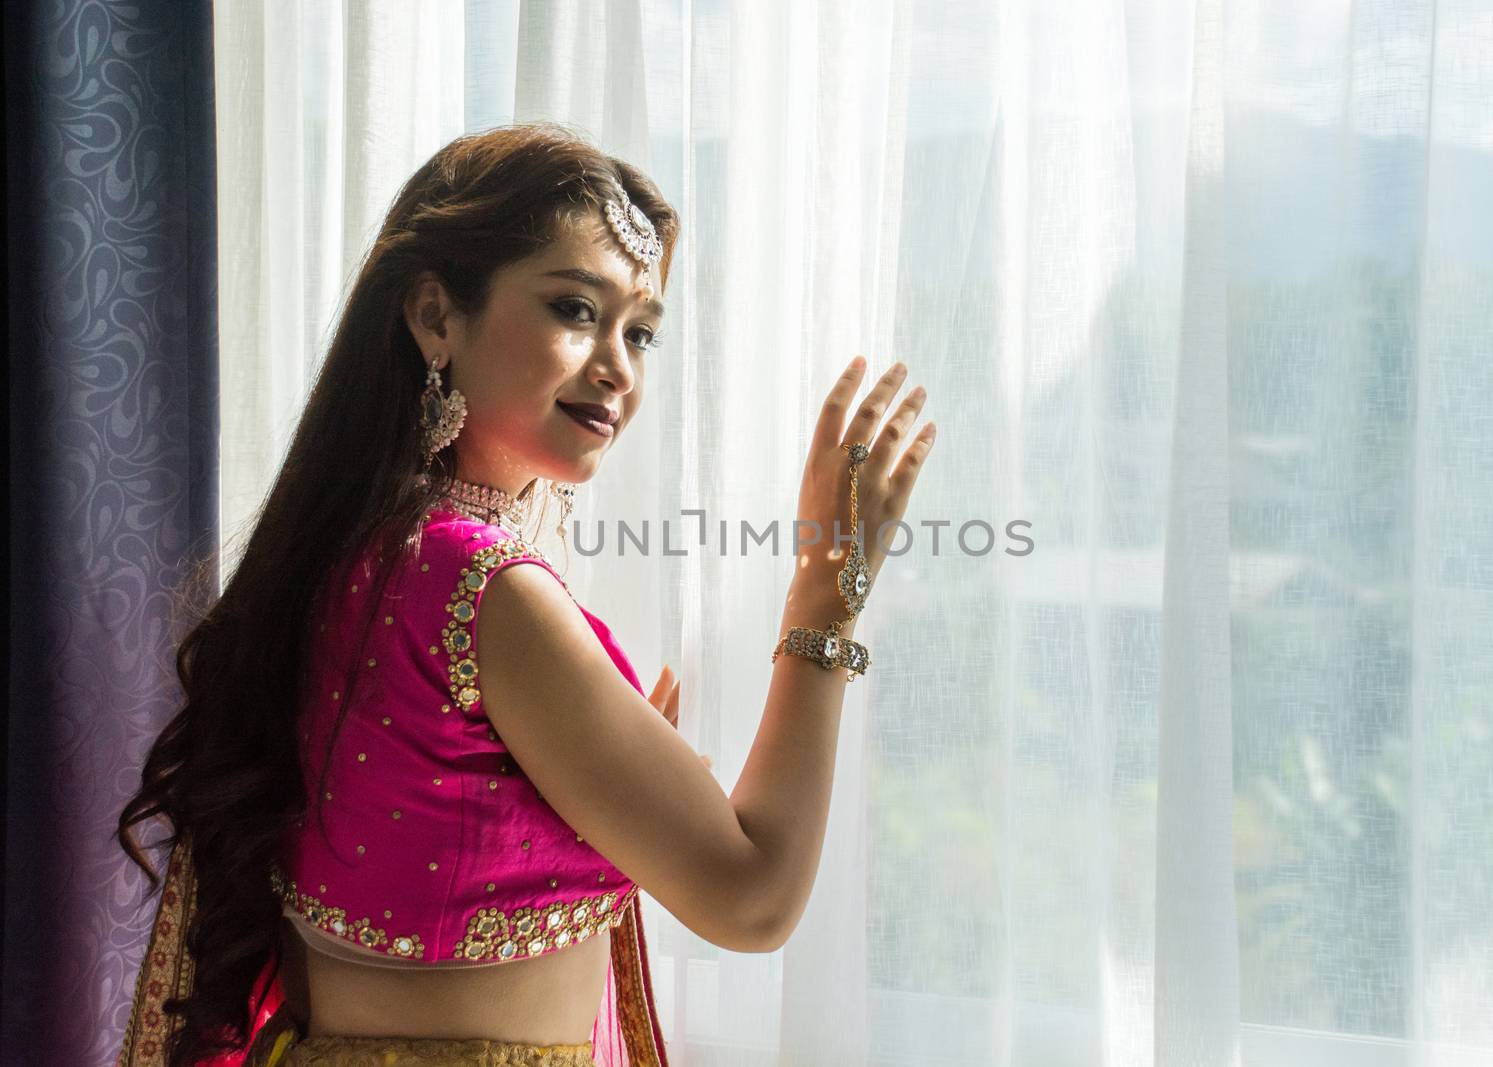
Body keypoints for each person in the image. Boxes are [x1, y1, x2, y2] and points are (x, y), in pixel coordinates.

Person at [115, 121, 937, 1067]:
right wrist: (825, 596)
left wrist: (589, 797)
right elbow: (753, 897)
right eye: (575, 309)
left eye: (640, 331)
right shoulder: (486, 586)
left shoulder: (360, 552)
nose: (618, 367)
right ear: (435, 316)